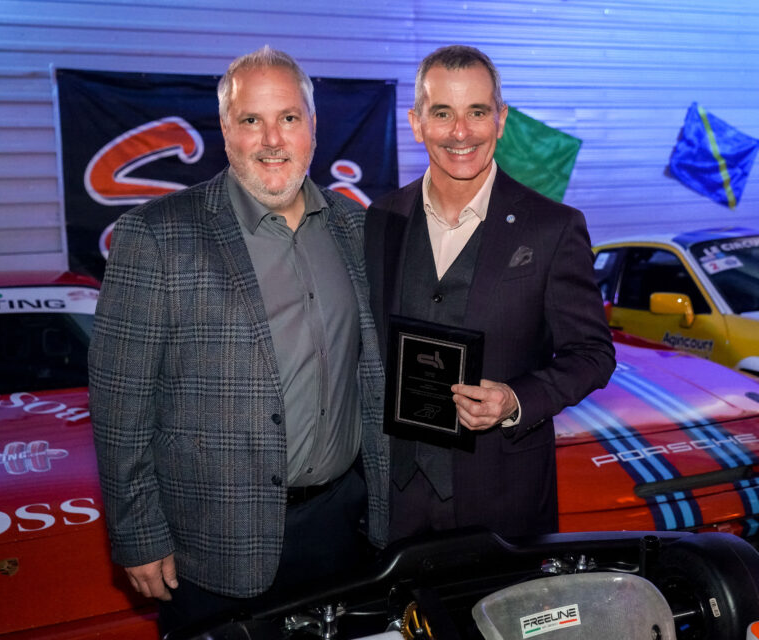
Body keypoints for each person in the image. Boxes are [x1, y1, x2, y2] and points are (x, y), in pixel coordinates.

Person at [88, 46, 388, 634]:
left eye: (289, 118)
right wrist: (136, 533)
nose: (272, 138)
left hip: (343, 532)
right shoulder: (157, 235)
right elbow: (119, 402)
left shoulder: (357, 231)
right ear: (226, 129)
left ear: (312, 127)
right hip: (212, 548)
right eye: (252, 120)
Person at [364, 45, 615, 542]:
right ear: (417, 123)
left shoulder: (554, 227)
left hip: (502, 498)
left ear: (500, 120)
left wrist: (516, 399)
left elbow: (593, 354)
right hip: (392, 502)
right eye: (443, 113)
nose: (461, 132)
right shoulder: (380, 219)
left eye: (477, 112)